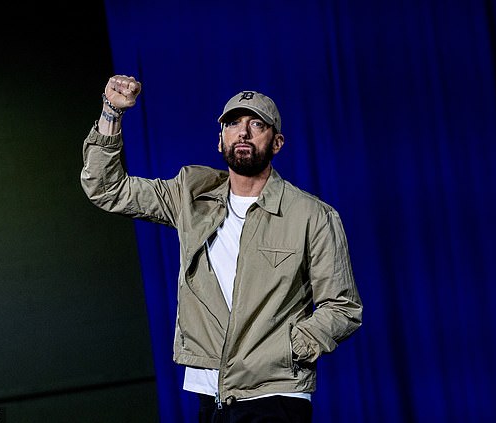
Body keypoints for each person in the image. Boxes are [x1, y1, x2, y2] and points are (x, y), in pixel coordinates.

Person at [81, 75, 363, 423]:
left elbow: (343, 307)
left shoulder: (312, 215)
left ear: (276, 143)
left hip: (274, 391)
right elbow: (108, 190)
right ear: (220, 141)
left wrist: (289, 349)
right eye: (232, 124)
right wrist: (111, 113)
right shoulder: (190, 194)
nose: (242, 133)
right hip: (210, 392)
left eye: (256, 124)